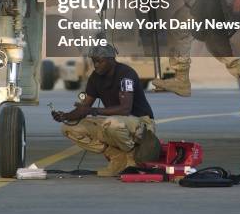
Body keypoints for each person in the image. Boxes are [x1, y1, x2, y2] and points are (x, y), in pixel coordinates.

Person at [51, 43, 159, 177]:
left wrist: (92, 111)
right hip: (116, 122)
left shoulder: (126, 75)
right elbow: (84, 107)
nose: (96, 65)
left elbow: (125, 109)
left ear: (111, 60)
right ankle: (117, 157)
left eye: (99, 61)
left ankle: (132, 158)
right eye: (94, 61)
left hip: (141, 124)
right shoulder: (95, 77)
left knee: (112, 124)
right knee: (68, 128)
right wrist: (65, 116)